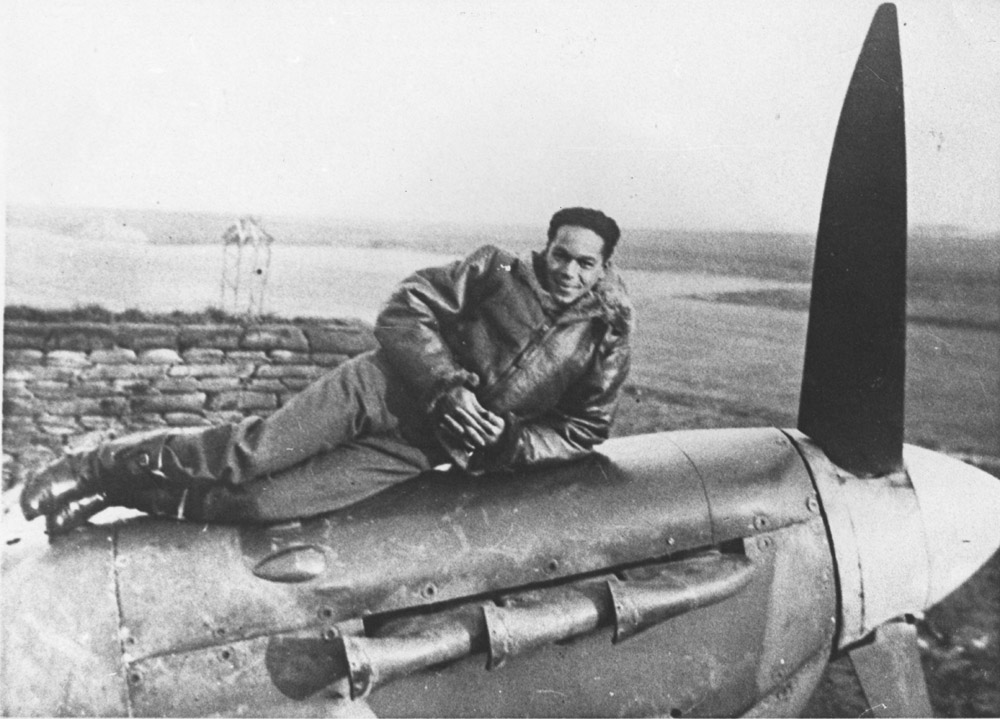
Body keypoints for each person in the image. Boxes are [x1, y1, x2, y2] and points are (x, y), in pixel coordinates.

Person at [21, 207, 633, 535]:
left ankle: (115, 493)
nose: (568, 272)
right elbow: (406, 308)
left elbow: (582, 430)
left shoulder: (603, 338)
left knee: (264, 505)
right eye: (561, 255)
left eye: (585, 264)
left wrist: (508, 442)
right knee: (247, 455)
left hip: (418, 449)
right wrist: (447, 384)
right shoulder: (496, 271)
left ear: (603, 268)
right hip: (379, 389)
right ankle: (90, 466)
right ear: (545, 247)